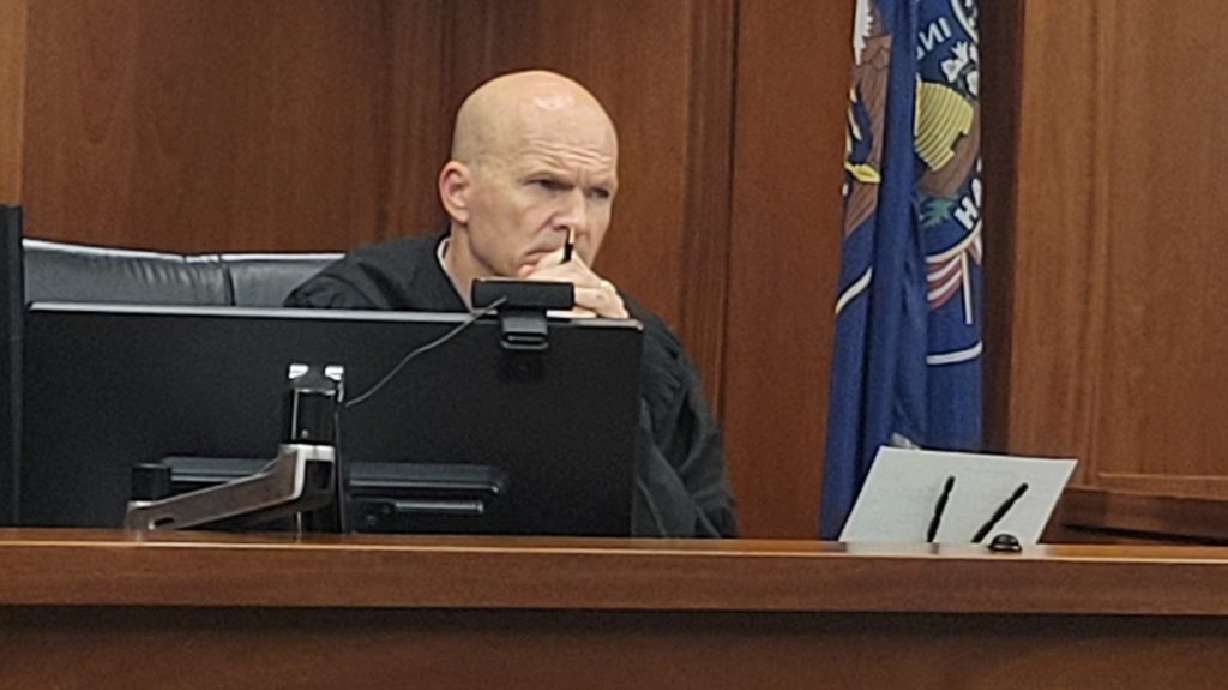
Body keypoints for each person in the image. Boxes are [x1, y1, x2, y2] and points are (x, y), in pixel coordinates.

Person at [285, 70, 735, 537]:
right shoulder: (351, 312)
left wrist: (606, 387)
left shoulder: (644, 348)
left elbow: (703, 558)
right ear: (459, 194)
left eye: (598, 194)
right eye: (546, 185)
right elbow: (278, 521)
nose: (576, 223)